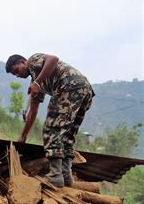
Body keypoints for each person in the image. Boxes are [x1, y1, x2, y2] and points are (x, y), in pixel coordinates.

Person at [5, 53, 94, 188]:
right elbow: (33, 111)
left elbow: (53, 59)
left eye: (16, 70)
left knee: (52, 129)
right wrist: (24, 135)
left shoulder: (33, 61)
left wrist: (37, 82)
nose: (17, 75)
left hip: (68, 84)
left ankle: (55, 176)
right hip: (84, 89)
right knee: (67, 134)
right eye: (14, 75)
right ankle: (66, 175)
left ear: (23, 62)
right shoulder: (36, 82)